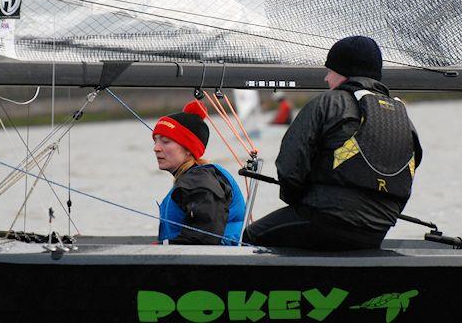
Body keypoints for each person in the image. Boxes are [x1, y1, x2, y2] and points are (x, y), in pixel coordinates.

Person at [243, 36, 422, 250]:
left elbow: (290, 166)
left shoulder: (326, 103)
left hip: (324, 219)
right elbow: (409, 173)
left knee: (250, 237)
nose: (326, 78)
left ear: (345, 72)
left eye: (330, 71)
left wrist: (300, 202)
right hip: (377, 231)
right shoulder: (404, 119)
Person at [153, 100, 246, 245]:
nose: (156, 148)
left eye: (165, 141)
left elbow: (205, 237)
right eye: (155, 141)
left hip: (218, 262)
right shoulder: (197, 176)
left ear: (188, 149)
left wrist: (162, 248)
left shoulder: (199, 181)